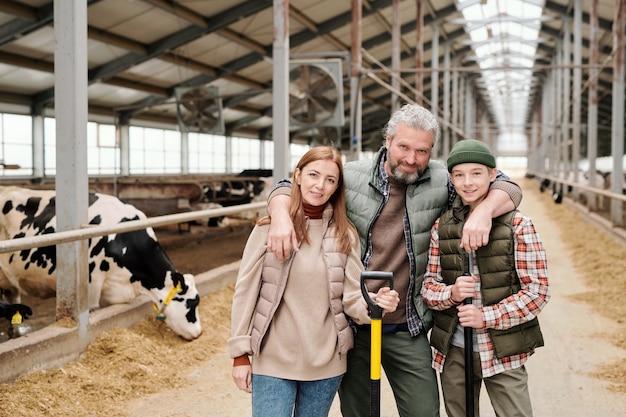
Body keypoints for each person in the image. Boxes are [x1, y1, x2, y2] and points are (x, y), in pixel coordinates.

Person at [265, 104, 523, 417]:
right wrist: (279, 214)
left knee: (424, 410)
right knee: (359, 412)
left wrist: (483, 212)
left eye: (422, 150)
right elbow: (290, 185)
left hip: (407, 325)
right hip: (354, 322)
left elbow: (507, 185)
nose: (412, 159)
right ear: (387, 140)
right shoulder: (351, 177)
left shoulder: (443, 178)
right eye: (403, 147)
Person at [228, 146, 400, 417]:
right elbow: (245, 291)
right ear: (297, 176)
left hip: (326, 363)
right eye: (313, 175)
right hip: (273, 359)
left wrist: (375, 305)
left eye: (330, 180)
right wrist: (240, 353)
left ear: (336, 187)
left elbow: (353, 296)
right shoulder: (268, 229)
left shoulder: (345, 235)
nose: (320, 185)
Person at [421, 139, 550, 417]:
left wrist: (486, 317)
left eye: (476, 173)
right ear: (451, 178)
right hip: (453, 349)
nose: (467, 182)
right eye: (459, 175)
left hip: (503, 350)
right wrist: (451, 294)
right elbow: (429, 287)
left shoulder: (519, 225)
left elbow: (537, 293)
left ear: (493, 175)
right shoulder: (441, 227)